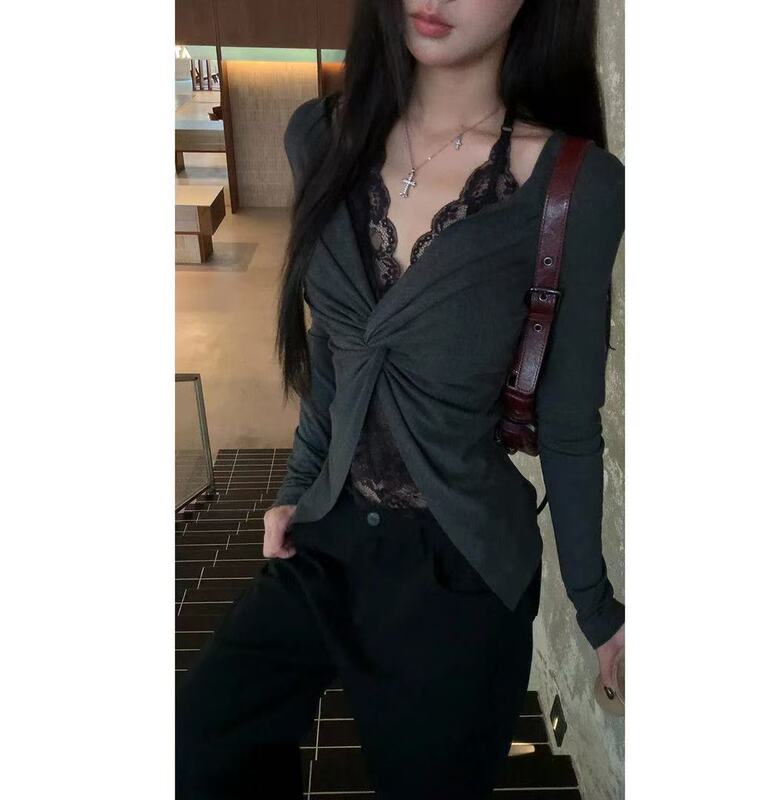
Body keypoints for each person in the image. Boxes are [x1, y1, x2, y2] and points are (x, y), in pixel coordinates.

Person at [176, 1, 626, 798]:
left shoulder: (573, 185)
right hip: (327, 535)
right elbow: (333, 352)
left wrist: (597, 612)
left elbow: (567, 424)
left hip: (461, 572)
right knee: (196, 751)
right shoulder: (320, 137)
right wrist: (296, 486)